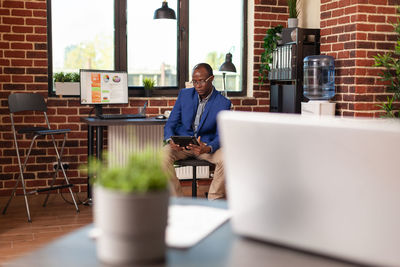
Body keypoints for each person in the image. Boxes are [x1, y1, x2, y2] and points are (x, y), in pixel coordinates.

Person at [162, 63, 232, 200]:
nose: (197, 85)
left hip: (205, 146)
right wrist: (170, 140)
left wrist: (208, 148)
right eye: (194, 81)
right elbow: (171, 123)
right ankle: (178, 200)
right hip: (182, 145)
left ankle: (214, 199)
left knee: (226, 158)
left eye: (201, 81)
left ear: (211, 79)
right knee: (161, 157)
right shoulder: (184, 95)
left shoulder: (223, 103)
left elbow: (221, 135)